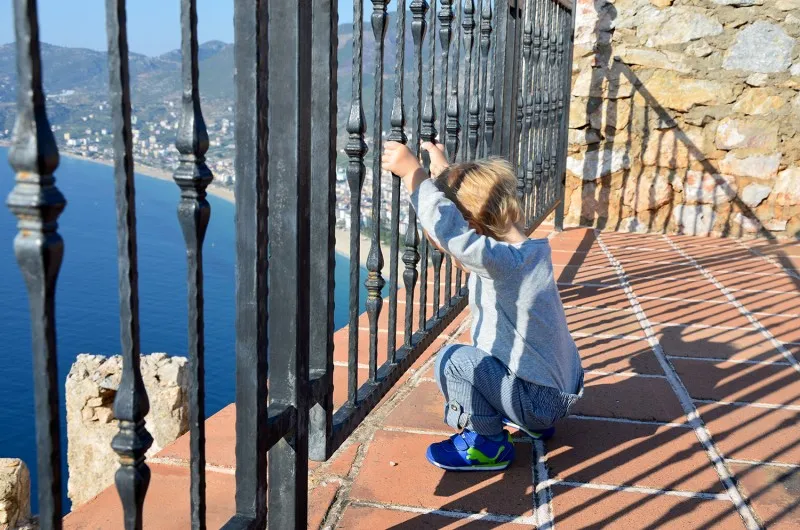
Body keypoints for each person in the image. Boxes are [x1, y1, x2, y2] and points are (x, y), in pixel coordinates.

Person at [381, 140, 584, 472]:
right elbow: (470, 222)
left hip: (538, 402)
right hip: (561, 391)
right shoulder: (533, 251)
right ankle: (532, 421)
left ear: (473, 228)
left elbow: (453, 235)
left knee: (453, 361)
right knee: (493, 361)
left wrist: (413, 174)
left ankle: (486, 443)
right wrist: (443, 170)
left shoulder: (502, 264)